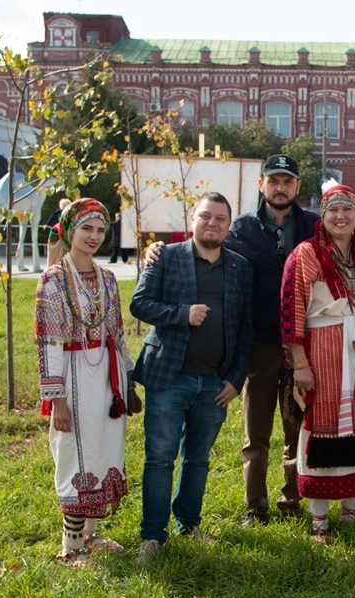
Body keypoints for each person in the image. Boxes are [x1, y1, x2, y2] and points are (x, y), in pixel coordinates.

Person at [145, 153, 317, 525]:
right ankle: (256, 506)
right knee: (256, 434)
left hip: (303, 347)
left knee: (297, 428)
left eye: (288, 181)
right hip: (258, 345)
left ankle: (292, 500)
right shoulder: (240, 228)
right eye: (273, 180)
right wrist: (157, 249)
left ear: (297, 186)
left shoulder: (313, 227)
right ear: (262, 185)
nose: (280, 187)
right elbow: (209, 249)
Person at [131, 193, 254, 564]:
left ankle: (188, 522)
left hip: (215, 383)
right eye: (206, 216)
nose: (212, 224)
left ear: (229, 225)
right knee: (160, 458)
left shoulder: (240, 267)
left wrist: (236, 378)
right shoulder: (166, 257)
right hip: (169, 376)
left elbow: (245, 327)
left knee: (198, 459)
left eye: (220, 218)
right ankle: (153, 535)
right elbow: (139, 304)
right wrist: (181, 314)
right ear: (193, 218)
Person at [34, 198, 141, 568]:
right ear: (69, 230)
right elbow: (47, 340)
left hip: (106, 378)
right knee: (75, 455)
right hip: (73, 376)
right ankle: (71, 547)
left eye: (100, 230)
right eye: (86, 229)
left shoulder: (108, 278)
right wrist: (56, 398)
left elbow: (117, 333)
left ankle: (91, 535)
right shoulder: (52, 281)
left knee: (103, 452)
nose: (94, 237)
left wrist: (127, 380)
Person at [281, 184, 355, 541]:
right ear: (322, 217)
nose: (340, 217)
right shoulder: (306, 254)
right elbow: (291, 311)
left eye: (347, 210)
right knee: (322, 426)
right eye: (332, 211)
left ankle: (351, 516)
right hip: (323, 350)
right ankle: (319, 521)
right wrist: (299, 363)